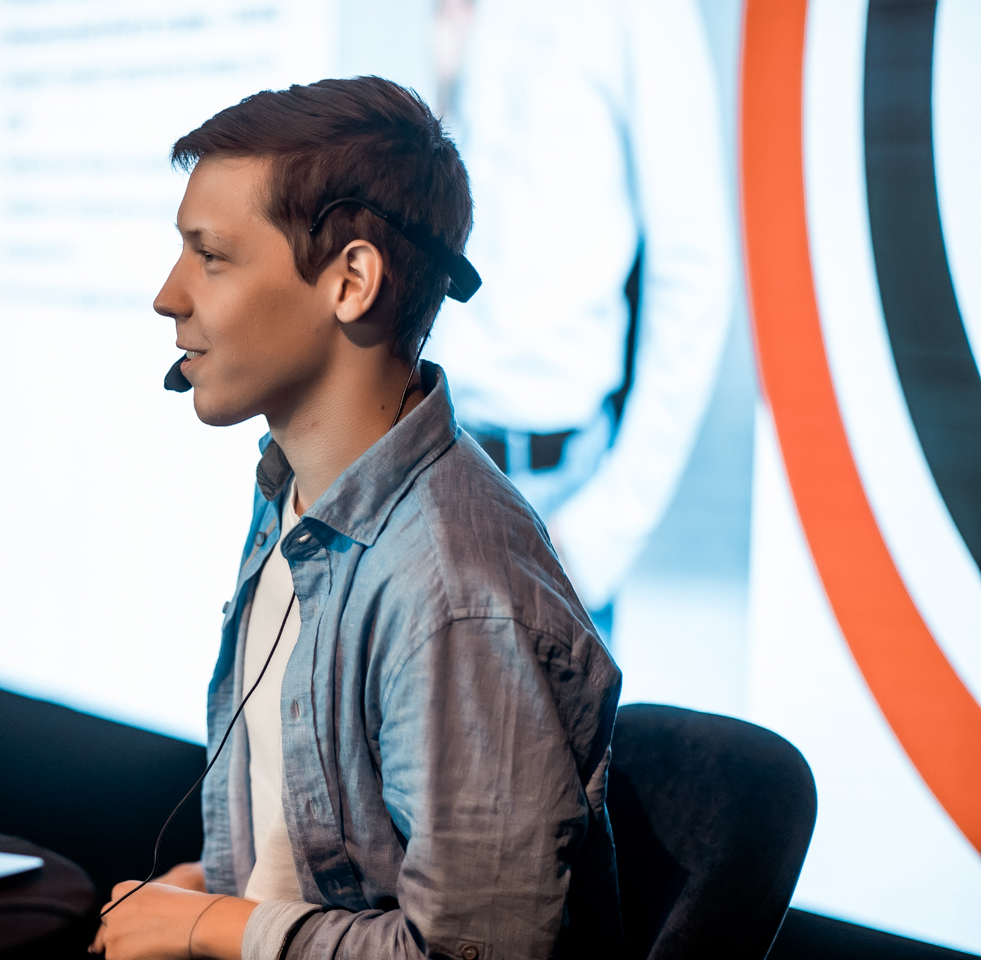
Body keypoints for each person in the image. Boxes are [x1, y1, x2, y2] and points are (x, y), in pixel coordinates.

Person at [91, 77, 622, 960]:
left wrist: (215, 928)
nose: (168, 295)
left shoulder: (453, 594)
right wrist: (220, 894)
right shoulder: (295, 496)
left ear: (351, 281)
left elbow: (471, 952)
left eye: (210, 256)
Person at [428, 0, 735, 617]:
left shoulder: (644, 14)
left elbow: (694, 271)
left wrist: (600, 533)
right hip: (420, 459)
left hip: (548, 495)